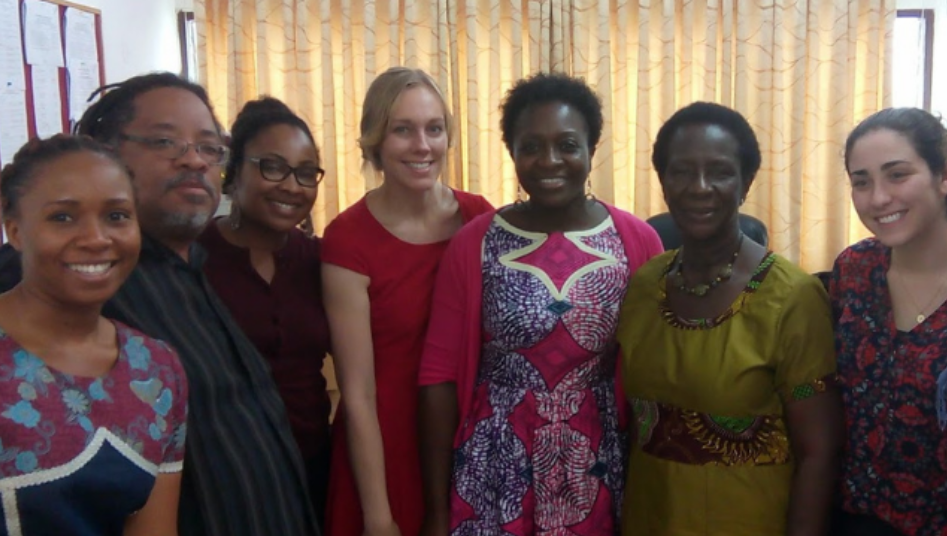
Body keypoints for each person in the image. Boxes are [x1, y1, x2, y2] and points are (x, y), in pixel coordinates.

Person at [0, 73, 319, 535]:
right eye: (165, 141)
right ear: (104, 154)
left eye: (209, 147)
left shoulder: (194, 268)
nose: (193, 159)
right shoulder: (80, 271)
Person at [416, 72, 663, 536]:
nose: (550, 160)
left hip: (599, 467)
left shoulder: (636, 242)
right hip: (493, 467)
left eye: (568, 144)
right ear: (512, 151)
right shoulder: (476, 243)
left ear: (592, 148)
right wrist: (434, 509)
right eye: (531, 146)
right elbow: (438, 377)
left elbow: (658, 367)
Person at [616, 102, 842, 535]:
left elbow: (821, 451)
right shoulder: (644, 285)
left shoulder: (792, 297)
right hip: (649, 517)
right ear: (663, 182)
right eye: (681, 171)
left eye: (719, 171)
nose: (699, 187)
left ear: (745, 183)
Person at [321, 67, 493, 536]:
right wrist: (378, 516)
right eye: (403, 130)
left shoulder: (481, 218)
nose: (422, 146)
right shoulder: (348, 238)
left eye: (433, 129)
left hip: (468, 442)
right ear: (375, 141)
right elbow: (356, 392)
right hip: (385, 451)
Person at [0, 135, 187, 535]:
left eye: (117, 216)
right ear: (15, 230)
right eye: (63, 217)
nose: (96, 238)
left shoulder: (155, 369)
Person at [198, 96, 332, 527]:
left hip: (313, 465)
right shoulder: (192, 258)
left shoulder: (321, 261)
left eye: (306, 173)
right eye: (272, 167)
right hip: (224, 479)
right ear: (232, 171)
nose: (292, 185)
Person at [829, 108, 947, 536]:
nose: (878, 198)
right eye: (861, 182)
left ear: (942, 175)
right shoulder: (854, 269)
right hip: (851, 516)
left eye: (897, 175)